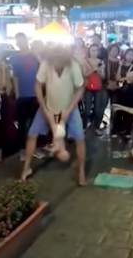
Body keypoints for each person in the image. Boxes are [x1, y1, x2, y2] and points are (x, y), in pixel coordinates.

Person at [20, 45, 86, 186]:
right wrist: (44, 109)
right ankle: (26, 168)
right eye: (55, 60)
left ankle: (81, 170)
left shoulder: (73, 65)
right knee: (32, 134)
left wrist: (68, 110)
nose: (57, 63)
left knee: (80, 138)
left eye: (60, 60)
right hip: (49, 105)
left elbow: (80, 89)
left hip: (70, 108)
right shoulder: (46, 64)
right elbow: (38, 85)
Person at [9, 32, 41, 161]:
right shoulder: (14, 58)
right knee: (22, 124)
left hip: (35, 94)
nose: (20, 43)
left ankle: (34, 149)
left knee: (35, 123)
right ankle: (23, 150)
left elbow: (43, 71)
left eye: (22, 40)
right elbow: (15, 77)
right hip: (22, 95)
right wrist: (17, 93)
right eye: (18, 41)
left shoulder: (34, 56)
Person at [112, 48, 133, 138]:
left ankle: (128, 130)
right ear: (125, 55)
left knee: (129, 111)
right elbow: (117, 78)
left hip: (131, 91)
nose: (130, 57)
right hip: (120, 91)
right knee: (118, 110)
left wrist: (123, 79)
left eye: (132, 55)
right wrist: (120, 66)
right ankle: (116, 129)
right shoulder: (120, 64)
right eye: (128, 54)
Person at [82, 44, 107, 133]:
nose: (94, 52)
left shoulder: (101, 62)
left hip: (98, 87)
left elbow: (103, 76)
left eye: (96, 50)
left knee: (97, 109)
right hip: (88, 87)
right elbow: (84, 75)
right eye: (92, 50)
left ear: (98, 52)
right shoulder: (85, 61)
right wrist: (93, 70)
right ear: (89, 51)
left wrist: (98, 72)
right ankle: (84, 126)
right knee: (87, 109)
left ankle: (96, 127)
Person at [105, 44, 121, 135]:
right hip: (105, 86)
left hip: (116, 87)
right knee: (102, 106)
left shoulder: (120, 62)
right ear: (109, 50)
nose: (114, 51)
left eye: (116, 50)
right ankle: (97, 125)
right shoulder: (104, 61)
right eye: (112, 50)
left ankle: (113, 128)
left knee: (114, 108)